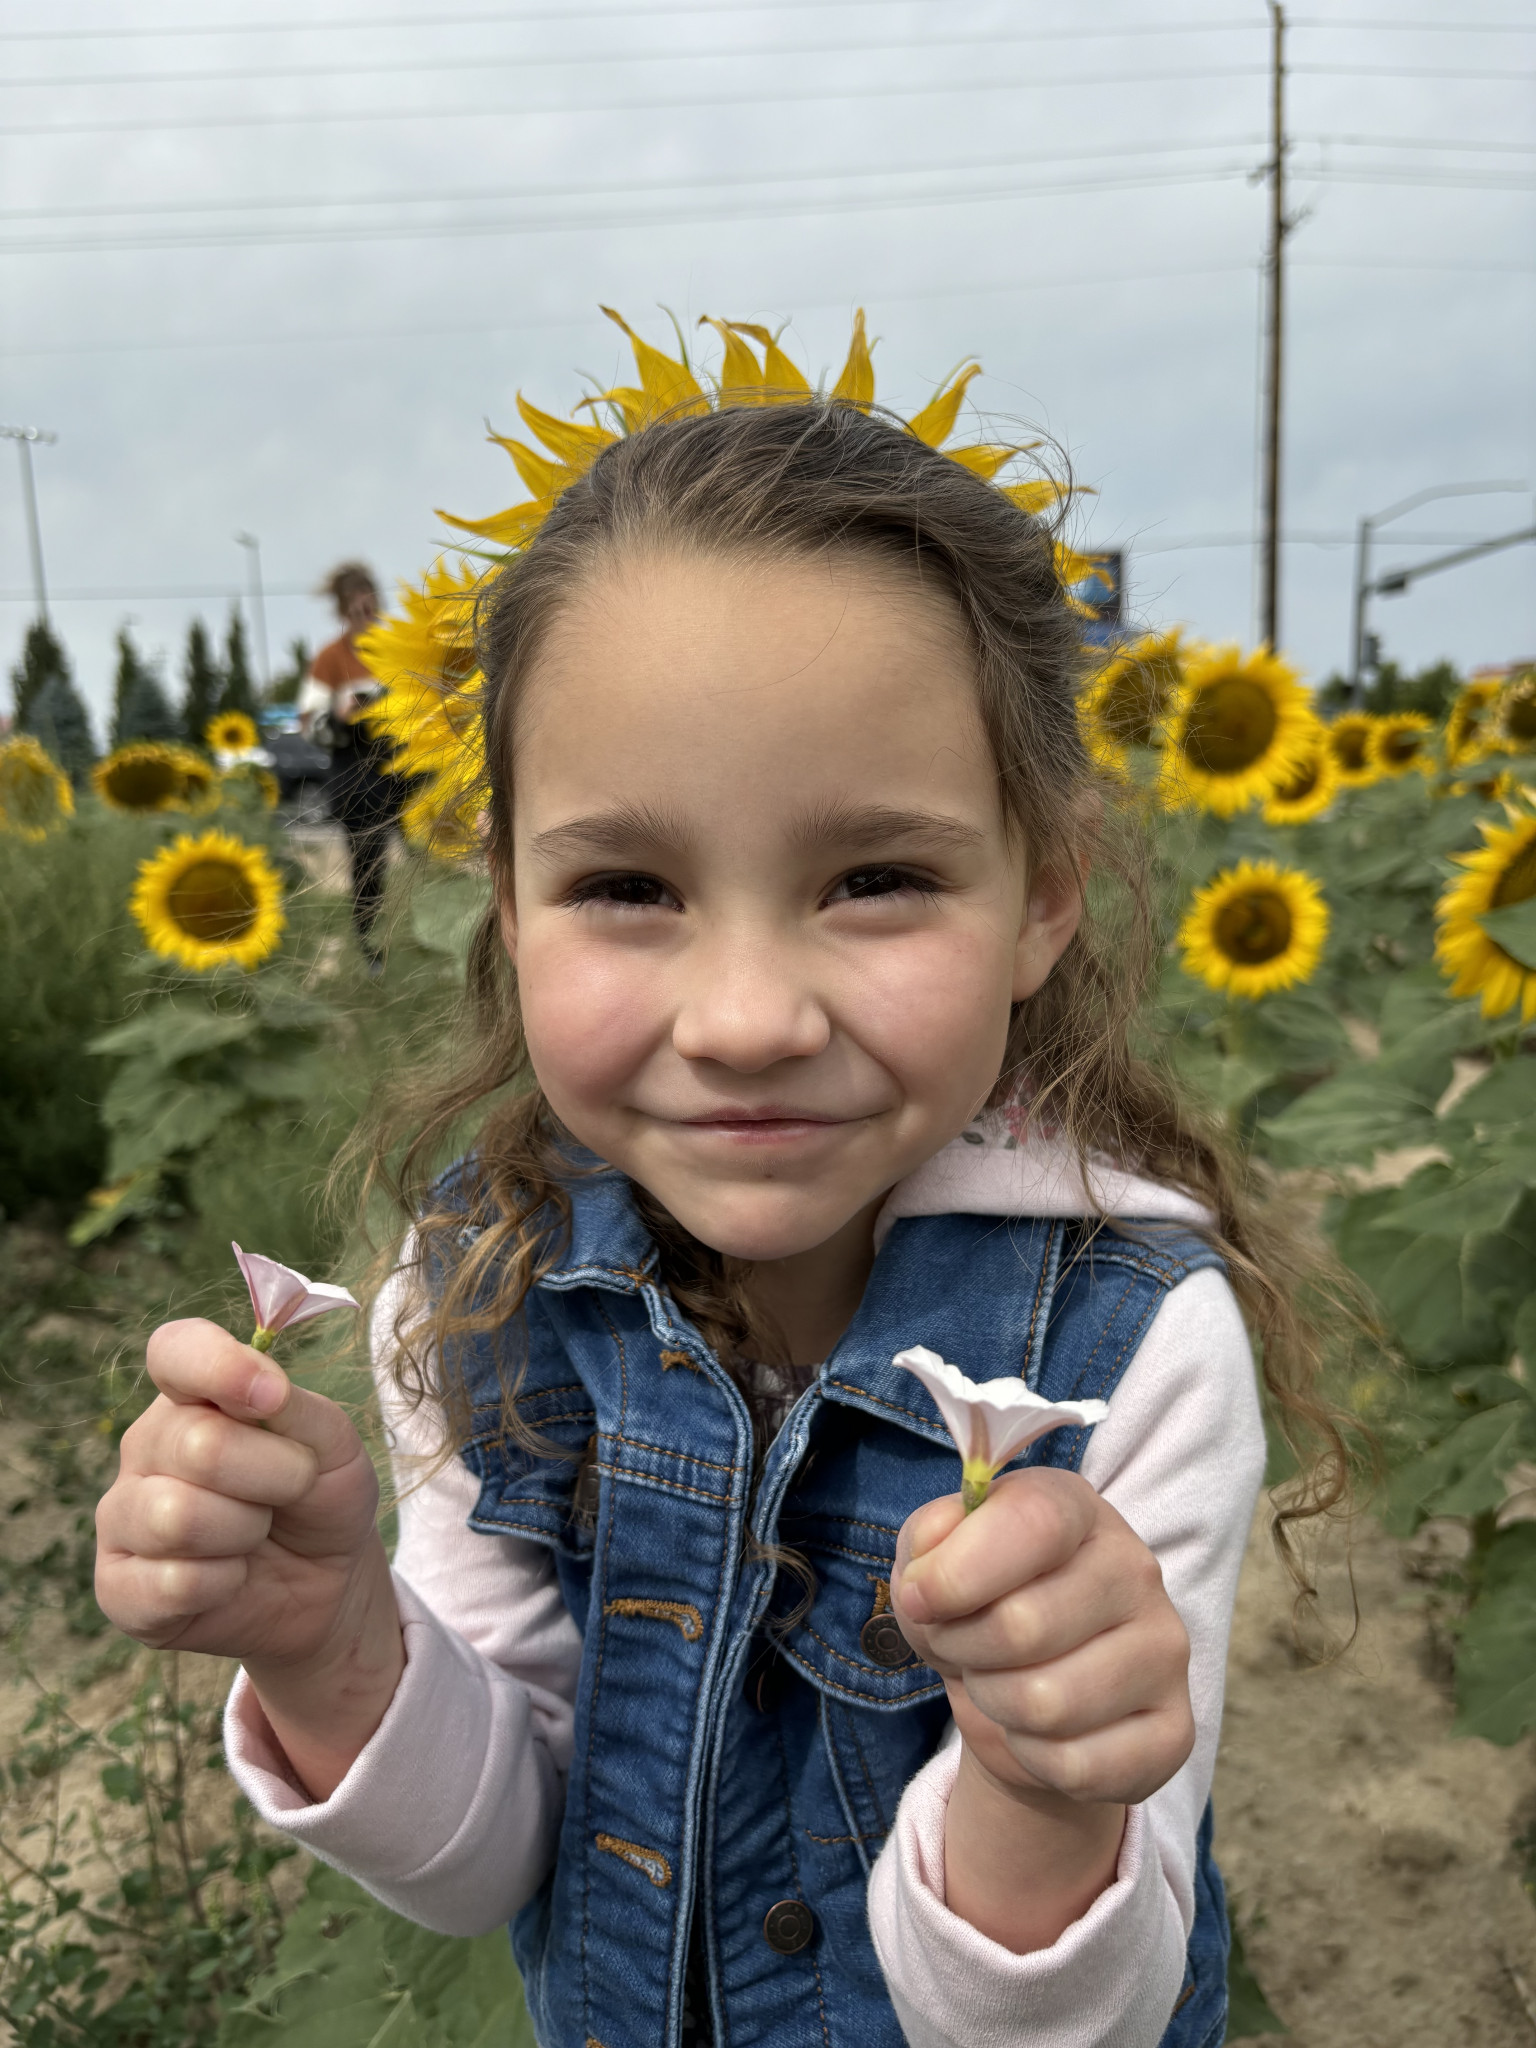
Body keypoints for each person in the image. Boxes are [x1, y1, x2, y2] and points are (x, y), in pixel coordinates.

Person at [95, 401, 1348, 2048]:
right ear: (508, 899)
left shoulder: (1133, 1349)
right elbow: (496, 1860)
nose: (748, 1019)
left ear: (1044, 894)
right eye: (629, 888)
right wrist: (325, 1643)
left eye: (876, 878)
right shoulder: (477, 1291)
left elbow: (1087, 2022)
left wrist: (1045, 1794)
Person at [300, 562, 400, 966]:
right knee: (368, 862)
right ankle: (371, 947)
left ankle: (425, 937)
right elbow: (308, 724)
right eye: (356, 609)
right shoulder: (331, 658)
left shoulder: (398, 646)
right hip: (356, 771)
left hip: (404, 765)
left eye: (369, 606)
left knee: (431, 849)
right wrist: (339, 716)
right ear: (344, 611)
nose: (364, 616)